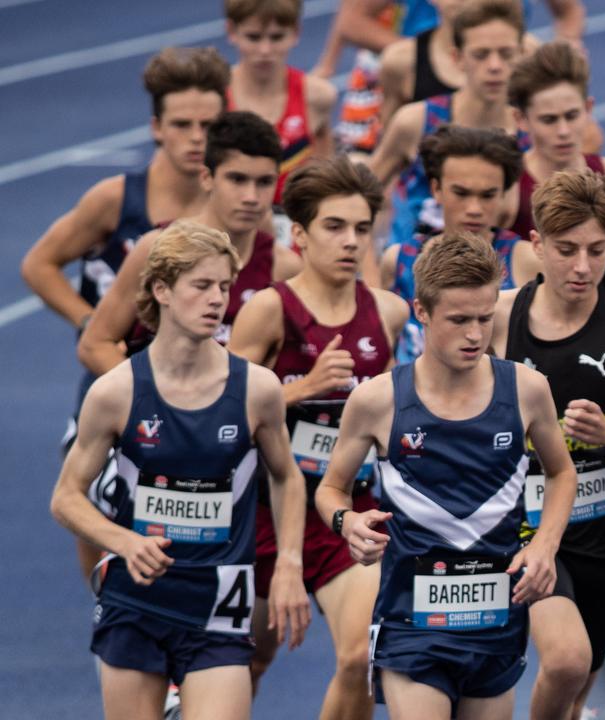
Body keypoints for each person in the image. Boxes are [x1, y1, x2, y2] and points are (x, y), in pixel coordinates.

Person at [49, 221, 310, 720]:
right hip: (136, 602)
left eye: (225, 287)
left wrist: (289, 566)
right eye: (201, 285)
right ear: (162, 290)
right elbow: (65, 498)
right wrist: (123, 541)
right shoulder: (117, 391)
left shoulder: (257, 389)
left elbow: (286, 476)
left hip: (219, 605)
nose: (217, 300)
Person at [314, 231, 577, 719]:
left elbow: (562, 473)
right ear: (422, 311)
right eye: (458, 320)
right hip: (412, 622)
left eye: (485, 318)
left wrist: (545, 544)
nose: (475, 334)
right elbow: (332, 490)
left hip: (496, 619)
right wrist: (345, 523)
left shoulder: (526, 389)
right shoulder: (377, 401)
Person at [21, 46, 229, 581]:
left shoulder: (228, 210)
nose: (196, 137)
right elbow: (40, 264)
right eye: (182, 124)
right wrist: (91, 324)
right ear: (157, 127)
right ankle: (106, 610)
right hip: (114, 375)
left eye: (209, 124)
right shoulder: (116, 199)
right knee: (92, 505)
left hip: (197, 384)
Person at [489, 170, 605, 719]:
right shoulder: (502, 317)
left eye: (597, 250)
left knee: (579, 680)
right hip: (527, 526)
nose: (582, 266)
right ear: (537, 246)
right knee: (568, 661)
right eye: (566, 249)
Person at [228, 156, 409, 718]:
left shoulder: (388, 313)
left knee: (362, 659)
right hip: (261, 512)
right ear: (300, 235)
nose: (351, 241)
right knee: (249, 660)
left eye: (361, 228)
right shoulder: (269, 311)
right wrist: (301, 389)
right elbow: (219, 413)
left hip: (344, 514)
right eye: (334, 227)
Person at [78, 111, 303, 377]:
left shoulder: (285, 268)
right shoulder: (156, 249)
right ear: (207, 178)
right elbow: (95, 344)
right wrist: (149, 400)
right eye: (237, 179)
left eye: (264, 182)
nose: (251, 197)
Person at [368, 0, 530, 263]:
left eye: (506, 53)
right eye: (481, 54)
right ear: (457, 58)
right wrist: (374, 274)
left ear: (522, 54)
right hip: (414, 280)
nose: (494, 66)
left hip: (497, 280)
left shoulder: (533, 132)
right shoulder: (416, 122)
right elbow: (360, 197)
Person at [324, 0, 584, 154]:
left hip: (505, 75)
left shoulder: (528, 52)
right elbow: (350, 20)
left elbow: (569, 10)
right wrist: (421, 57)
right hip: (422, 68)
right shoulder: (402, 63)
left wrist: (567, 45)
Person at [381, 125, 538, 364]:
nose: (474, 209)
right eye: (461, 193)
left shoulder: (527, 262)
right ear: (436, 189)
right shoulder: (399, 261)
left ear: (504, 193)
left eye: (487, 195)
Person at [506, 41, 605, 267]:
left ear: (588, 109)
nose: (563, 131)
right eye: (549, 120)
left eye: (572, 116)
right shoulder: (508, 189)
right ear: (521, 120)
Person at [224, 0, 337, 239]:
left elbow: (325, 183)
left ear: (295, 33)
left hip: (293, 229)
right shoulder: (216, 98)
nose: (265, 50)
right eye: (254, 37)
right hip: (230, 229)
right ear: (231, 32)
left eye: (276, 37)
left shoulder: (316, 96)